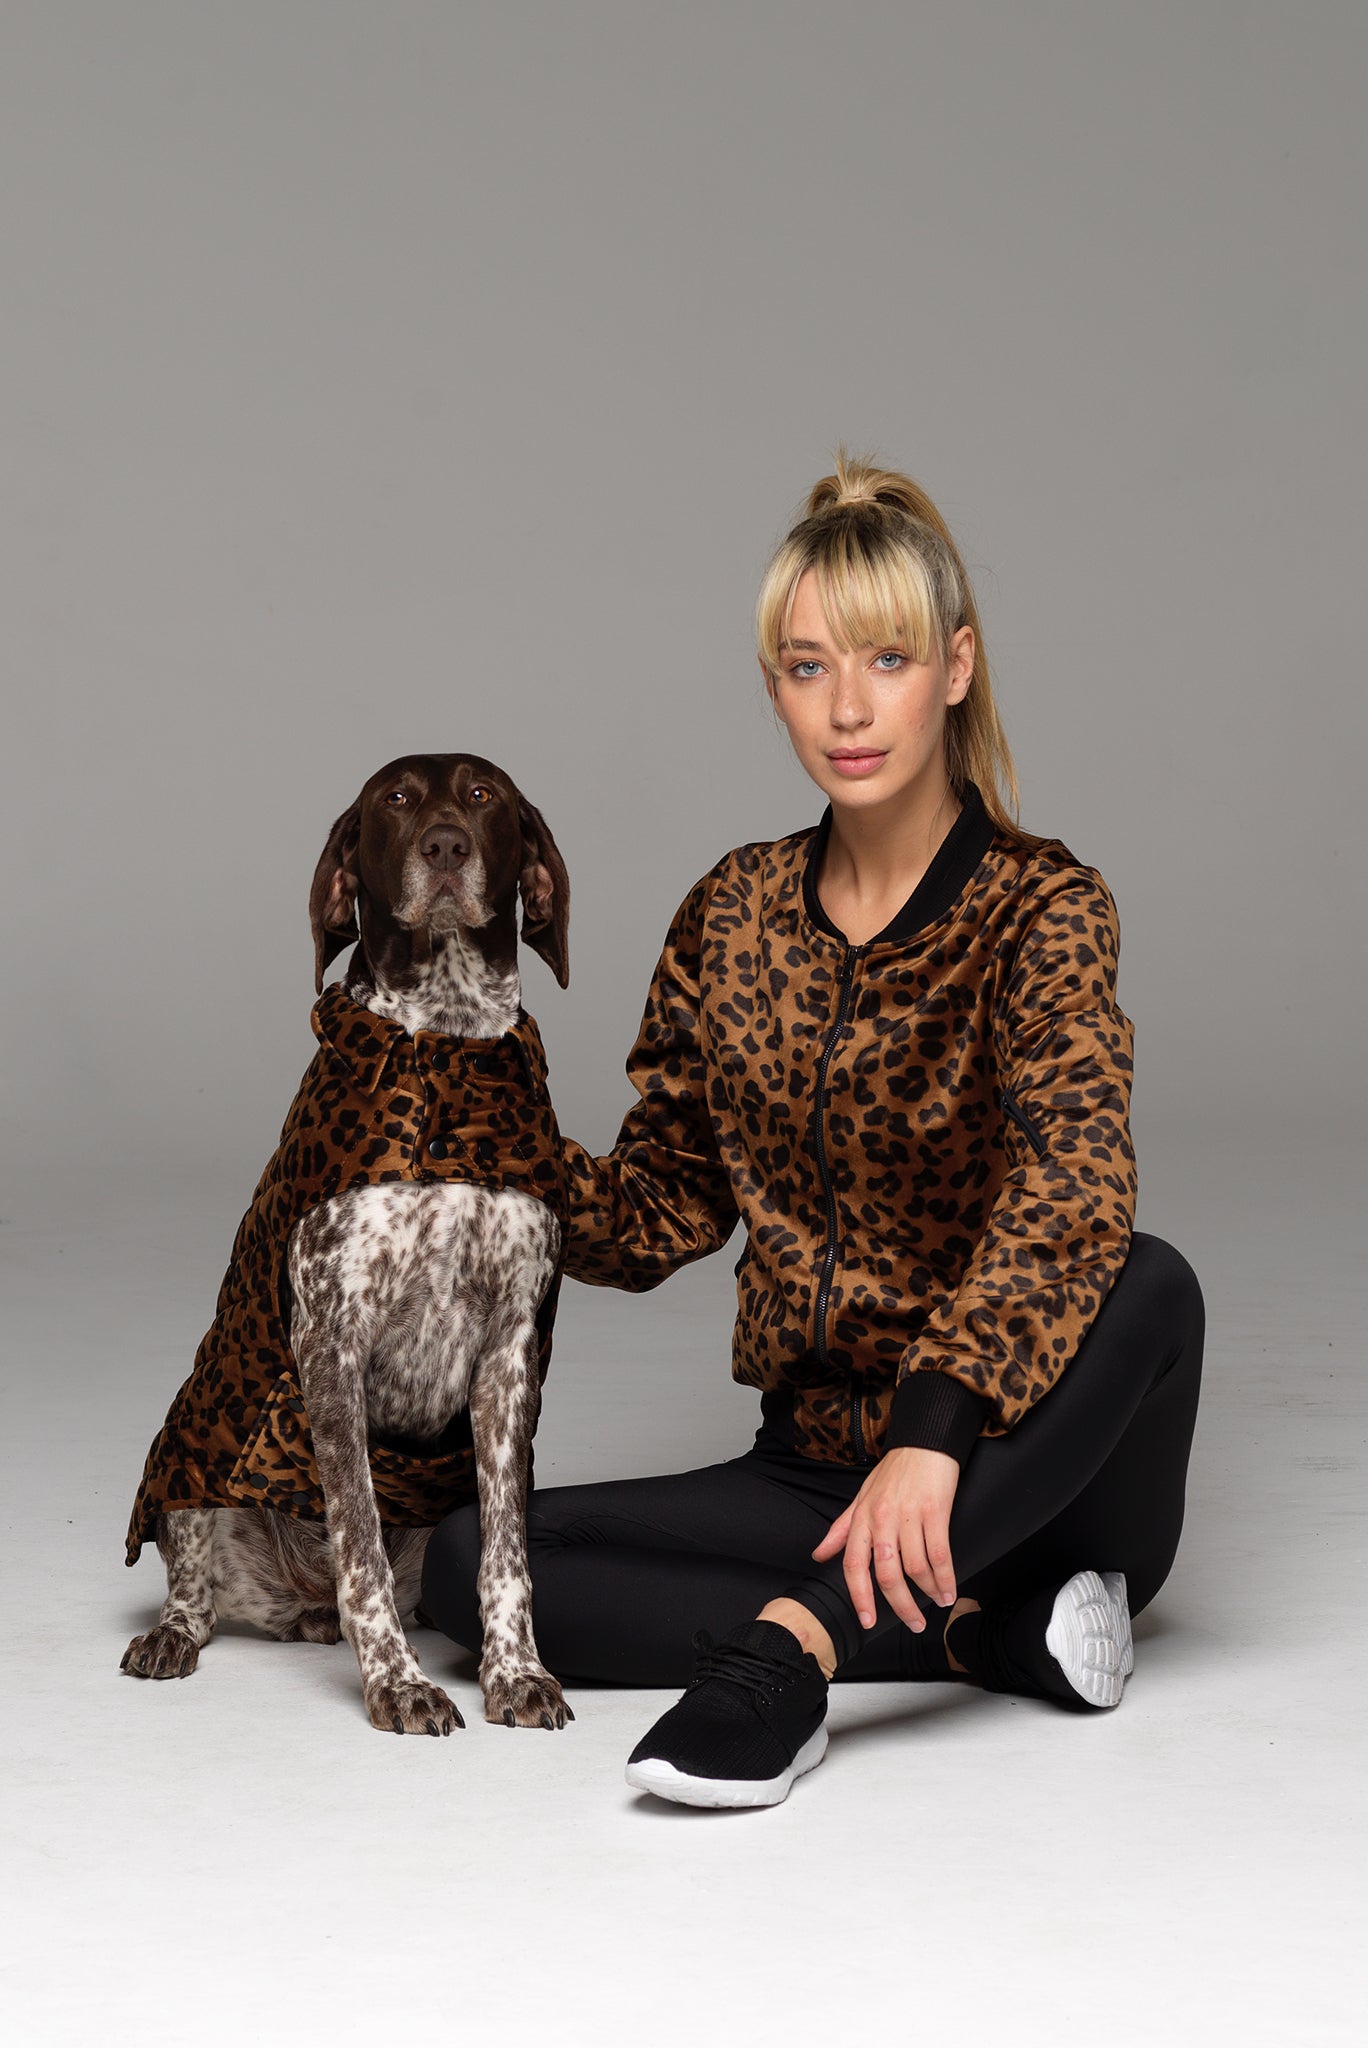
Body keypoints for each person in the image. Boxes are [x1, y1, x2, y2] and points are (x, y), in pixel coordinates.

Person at [420, 451, 1206, 1808]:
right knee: (459, 1562)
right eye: (806, 668)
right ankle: (990, 1633)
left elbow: (1072, 1189)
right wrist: (497, 1143)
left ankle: (795, 1653)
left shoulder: (1042, 910)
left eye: (887, 660)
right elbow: (666, 1197)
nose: (848, 707)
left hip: (1024, 1464)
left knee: (1151, 1279)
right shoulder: (731, 914)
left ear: (955, 668)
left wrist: (933, 1430)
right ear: (774, 686)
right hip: (812, 1470)